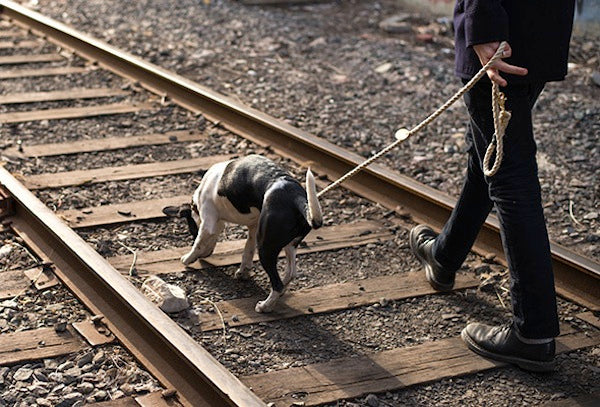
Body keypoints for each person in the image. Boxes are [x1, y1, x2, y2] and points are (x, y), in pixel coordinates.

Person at [410, 0, 576, 372]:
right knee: (488, 153)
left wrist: (483, 26)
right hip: (540, 27)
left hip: (503, 31)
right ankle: (444, 256)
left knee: (509, 173)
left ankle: (533, 332)